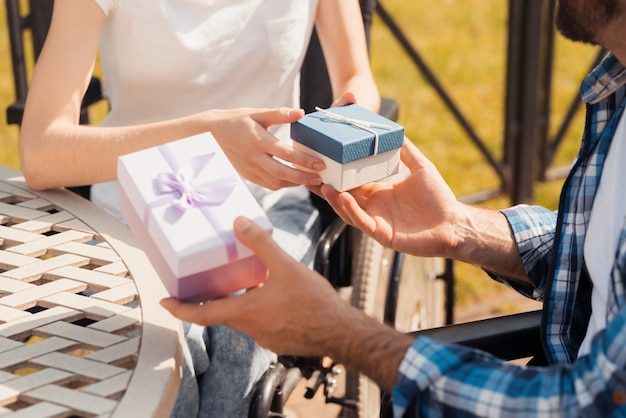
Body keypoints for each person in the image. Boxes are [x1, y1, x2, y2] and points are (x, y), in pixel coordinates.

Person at [160, 0, 626, 416]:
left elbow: (589, 405)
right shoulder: (615, 94)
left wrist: (343, 333)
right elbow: (597, 259)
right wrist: (462, 228)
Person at [18, 0, 380, 416]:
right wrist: (204, 135)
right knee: (165, 350)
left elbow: (358, 79)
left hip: (269, 206)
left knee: (240, 341)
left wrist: (345, 128)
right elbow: (42, 151)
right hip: (134, 213)